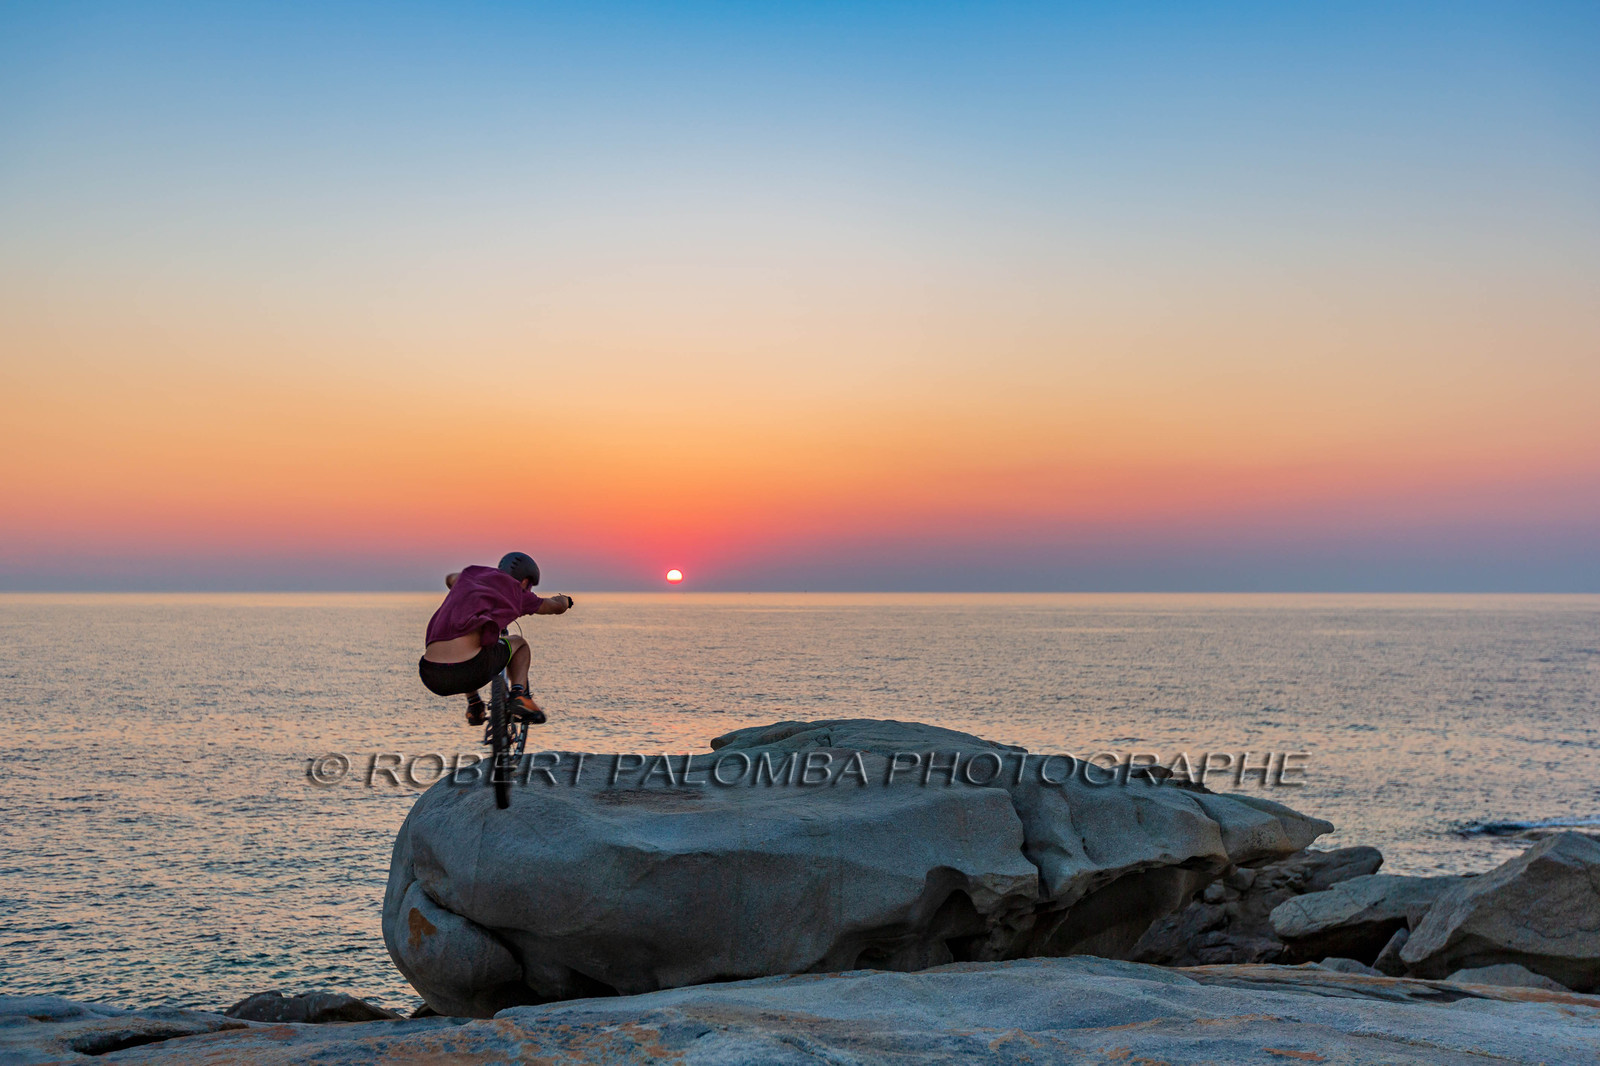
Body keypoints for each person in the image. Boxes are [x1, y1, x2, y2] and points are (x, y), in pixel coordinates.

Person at [419, 551, 573, 726]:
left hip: (429, 674)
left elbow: (450, 578)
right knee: (520, 645)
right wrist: (565, 600)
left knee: (470, 640)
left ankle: (475, 706)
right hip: (469, 670)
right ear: (524, 580)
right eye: (530, 586)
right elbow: (556, 607)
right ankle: (518, 696)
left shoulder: (469, 577)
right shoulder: (516, 592)